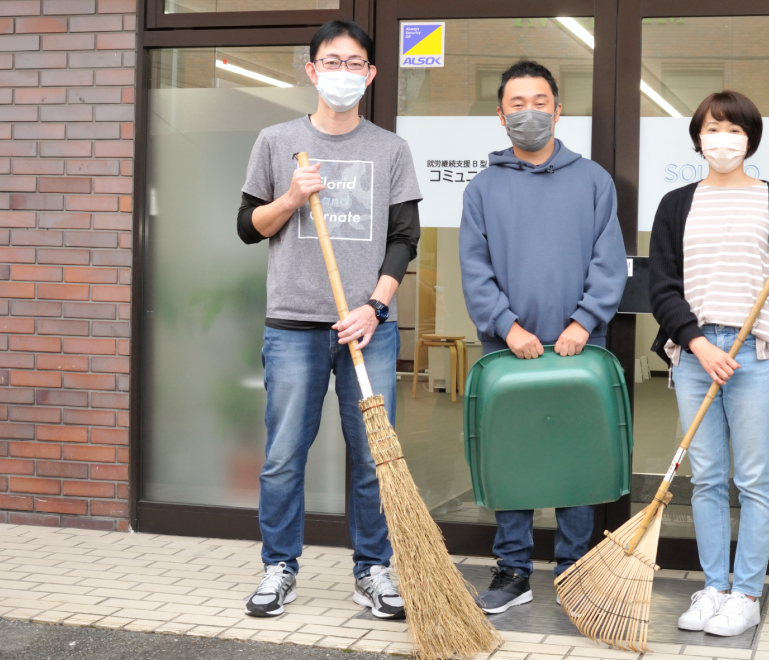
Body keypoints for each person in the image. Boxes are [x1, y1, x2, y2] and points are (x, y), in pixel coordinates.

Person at [235, 19, 421, 620]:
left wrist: (376, 307)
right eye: (331, 62)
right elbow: (246, 226)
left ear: (369, 74)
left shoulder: (390, 148)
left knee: (374, 457)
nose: (344, 72)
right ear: (312, 71)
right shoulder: (275, 140)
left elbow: (404, 238)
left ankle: (373, 571)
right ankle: (279, 566)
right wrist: (290, 197)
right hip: (293, 325)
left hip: (369, 329)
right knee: (285, 454)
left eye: (355, 63)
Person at [649, 91, 769, 637]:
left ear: (750, 139)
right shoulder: (677, 203)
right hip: (696, 351)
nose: (723, 139)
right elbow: (662, 287)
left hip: (755, 350)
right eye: (713, 129)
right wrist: (697, 343)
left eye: (735, 131)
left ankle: (746, 592)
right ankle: (713, 587)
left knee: (753, 479)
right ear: (698, 138)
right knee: (705, 478)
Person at [459, 60, 626, 614]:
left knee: (577, 457)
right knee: (514, 457)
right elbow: (475, 269)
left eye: (539, 102)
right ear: (500, 114)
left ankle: (575, 565)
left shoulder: (593, 180)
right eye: (516, 103)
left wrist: (583, 322)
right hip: (510, 350)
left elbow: (608, 262)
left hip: (580, 347)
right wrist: (507, 327)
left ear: (559, 109)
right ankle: (512, 569)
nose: (528, 112)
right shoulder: (483, 188)